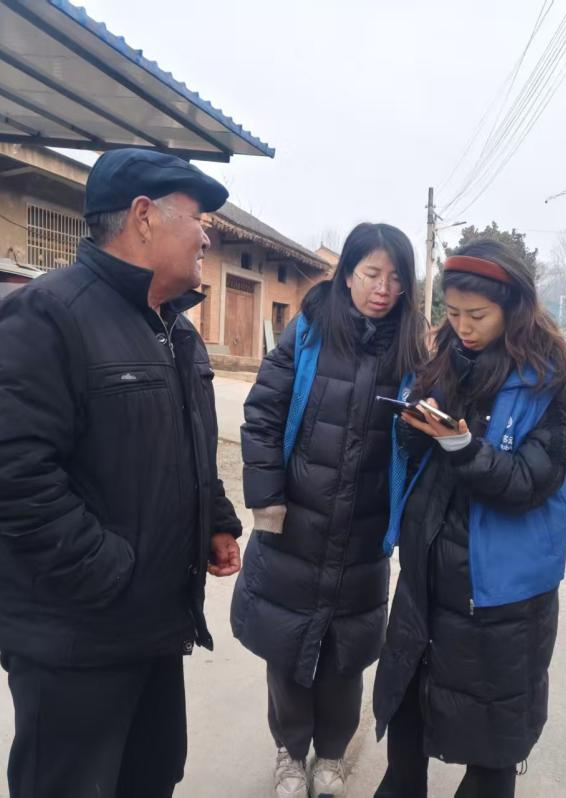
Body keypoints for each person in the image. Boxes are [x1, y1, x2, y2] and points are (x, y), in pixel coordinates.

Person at [0, 149, 243, 798]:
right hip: (76, 636)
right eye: (197, 220)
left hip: (153, 628)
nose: (206, 238)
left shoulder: (176, 331)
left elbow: (186, 445)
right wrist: (108, 569)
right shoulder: (52, 313)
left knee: (152, 777)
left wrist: (215, 520)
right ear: (143, 217)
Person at [372, 239, 566, 798]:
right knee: (408, 713)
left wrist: (462, 446)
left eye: (477, 315)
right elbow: (415, 458)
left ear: (514, 308)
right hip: (427, 575)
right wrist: (413, 426)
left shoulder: (553, 380)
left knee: (492, 738)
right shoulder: (442, 359)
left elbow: (530, 482)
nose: (463, 327)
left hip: (500, 593)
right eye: (452, 312)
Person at [232, 223, 428, 798]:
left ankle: (333, 755)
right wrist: (267, 500)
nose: (383, 289)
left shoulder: (413, 350)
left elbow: (419, 444)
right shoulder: (310, 331)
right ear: (346, 275)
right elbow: (263, 415)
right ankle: (291, 754)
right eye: (371, 274)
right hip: (297, 520)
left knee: (347, 653)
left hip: (364, 530)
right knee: (287, 645)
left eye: (396, 278)